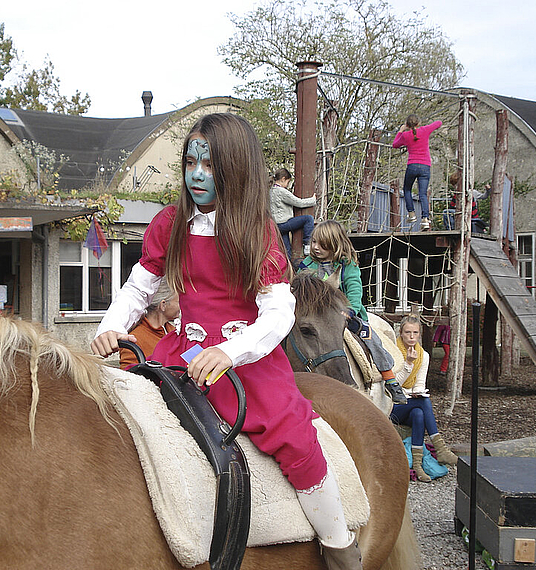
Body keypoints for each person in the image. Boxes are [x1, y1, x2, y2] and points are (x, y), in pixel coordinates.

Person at [92, 113, 362, 568]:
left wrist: (229, 351)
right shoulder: (170, 223)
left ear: (234, 169)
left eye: (210, 164)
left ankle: (339, 547)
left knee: (293, 435)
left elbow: (279, 313)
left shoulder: (256, 231)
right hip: (186, 352)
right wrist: (108, 328)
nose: (197, 174)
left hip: (246, 360)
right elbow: (140, 287)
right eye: (191, 161)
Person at [299, 220, 407, 406]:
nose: (316, 248)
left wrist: (350, 309)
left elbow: (355, 290)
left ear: (335, 246)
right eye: (314, 242)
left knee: (370, 338)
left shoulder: (347, 266)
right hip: (318, 317)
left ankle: (389, 378)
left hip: (344, 314)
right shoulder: (308, 265)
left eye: (322, 245)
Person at [391, 315, 458, 482]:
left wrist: (417, 392)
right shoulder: (392, 352)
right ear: (400, 332)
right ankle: (440, 448)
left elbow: (419, 385)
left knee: (419, 413)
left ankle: (418, 465)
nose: (412, 336)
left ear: (420, 334)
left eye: (415, 332)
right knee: (423, 402)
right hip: (392, 404)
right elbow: (392, 385)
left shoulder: (423, 355)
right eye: (407, 332)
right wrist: (407, 364)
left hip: (410, 403)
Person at [392, 114, 442, 231]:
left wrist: (400, 131)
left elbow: (395, 145)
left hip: (412, 165)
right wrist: (426, 127)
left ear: (407, 125)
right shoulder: (425, 130)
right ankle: (425, 219)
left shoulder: (405, 135)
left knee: (407, 189)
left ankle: (411, 213)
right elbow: (439, 122)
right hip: (425, 166)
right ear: (418, 123)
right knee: (423, 193)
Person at [118, 278, 180, 369]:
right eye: (178, 302)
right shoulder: (134, 339)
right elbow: (128, 377)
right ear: (163, 305)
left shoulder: (174, 331)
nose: (182, 306)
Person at [269, 167, 316, 259]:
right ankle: (307, 245)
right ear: (283, 179)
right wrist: (313, 200)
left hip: (275, 226)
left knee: (287, 253)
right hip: (283, 223)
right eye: (288, 182)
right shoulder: (282, 192)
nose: (287, 185)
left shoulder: (270, 191)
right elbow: (299, 203)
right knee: (308, 219)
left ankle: (287, 269)